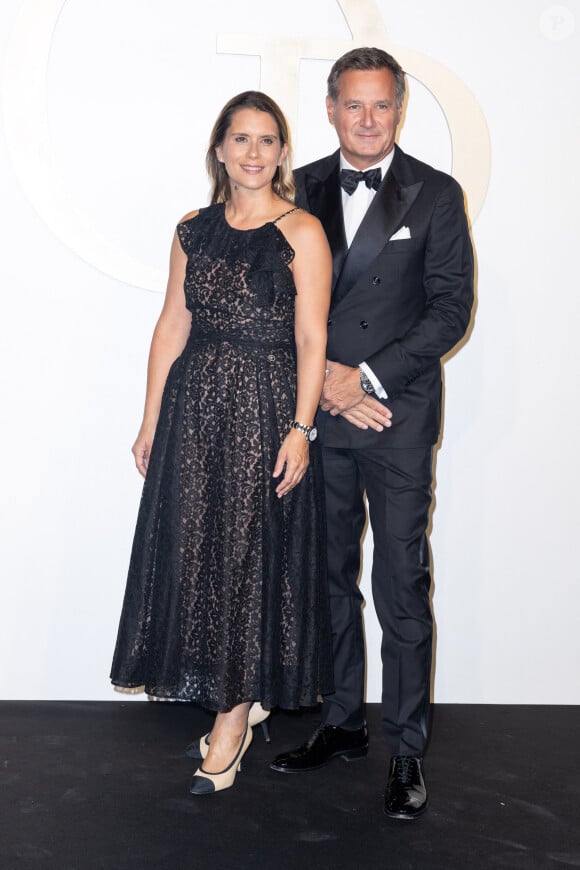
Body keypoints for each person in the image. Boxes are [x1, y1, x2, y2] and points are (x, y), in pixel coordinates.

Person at [270, 47, 474, 820]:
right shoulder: (301, 189)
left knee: (399, 585)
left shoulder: (437, 194)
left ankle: (407, 750)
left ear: (399, 110)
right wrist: (327, 383)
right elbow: (274, 301)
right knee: (325, 579)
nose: (366, 119)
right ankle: (341, 722)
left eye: (381, 105)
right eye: (352, 105)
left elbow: (450, 310)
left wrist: (369, 379)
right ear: (329, 108)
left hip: (393, 418)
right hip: (318, 417)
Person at [110, 91, 334, 796]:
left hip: (265, 410)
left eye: (267, 141)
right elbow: (171, 325)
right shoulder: (191, 228)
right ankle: (238, 698)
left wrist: (301, 429)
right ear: (219, 149)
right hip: (194, 410)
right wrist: (150, 419)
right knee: (201, 555)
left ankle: (232, 720)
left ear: (282, 153)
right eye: (241, 139)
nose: (253, 153)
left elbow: (311, 339)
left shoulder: (302, 232)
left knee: (246, 558)